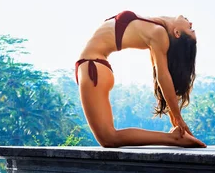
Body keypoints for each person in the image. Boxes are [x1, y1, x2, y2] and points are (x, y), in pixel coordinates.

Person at [76, 11, 207, 148]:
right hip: (93, 66)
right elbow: (159, 78)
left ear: (177, 33)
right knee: (108, 137)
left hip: (93, 66)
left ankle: (172, 138)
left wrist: (178, 117)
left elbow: (163, 76)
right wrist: (174, 117)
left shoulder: (159, 33)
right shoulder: (156, 28)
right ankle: (173, 137)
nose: (190, 23)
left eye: (190, 29)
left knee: (109, 138)